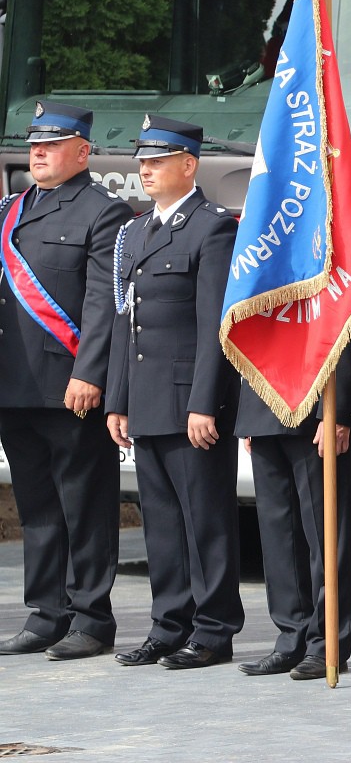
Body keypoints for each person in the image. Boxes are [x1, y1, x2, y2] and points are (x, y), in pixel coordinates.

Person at [105, 115, 244, 669]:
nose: (146, 168)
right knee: (161, 521)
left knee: (205, 518)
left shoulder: (212, 228)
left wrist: (204, 403)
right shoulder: (136, 231)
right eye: (143, 160)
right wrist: (118, 398)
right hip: (147, 399)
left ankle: (212, 630)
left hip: (190, 401)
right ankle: (169, 624)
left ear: (189, 165)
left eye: (158, 160)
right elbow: (124, 321)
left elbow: (216, 325)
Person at [0, 101, 133, 660]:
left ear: (82, 151)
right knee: (37, 505)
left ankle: (91, 617)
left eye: (51, 146)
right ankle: (45, 612)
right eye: (34, 145)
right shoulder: (11, 209)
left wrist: (90, 373)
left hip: (69, 385)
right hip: (14, 385)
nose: (38, 154)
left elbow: (105, 302)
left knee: (85, 504)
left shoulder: (105, 212)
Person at [234, 381, 351, 680]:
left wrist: (339, 412)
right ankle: (292, 638)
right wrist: (251, 414)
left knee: (325, 537)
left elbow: (344, 339)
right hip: (265, 404)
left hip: (316, 404)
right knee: (278, 539)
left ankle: (327, 644)